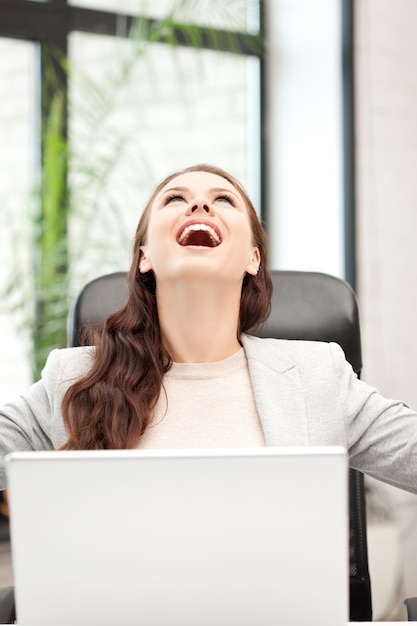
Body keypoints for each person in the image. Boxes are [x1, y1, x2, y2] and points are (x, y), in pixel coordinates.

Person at [0, 163, 417, 493]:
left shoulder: (318, 377)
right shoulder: (74, 379)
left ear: (253, 258)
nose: (199, 206)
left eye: (224, 200)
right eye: (175, 199)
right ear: (145, 256)